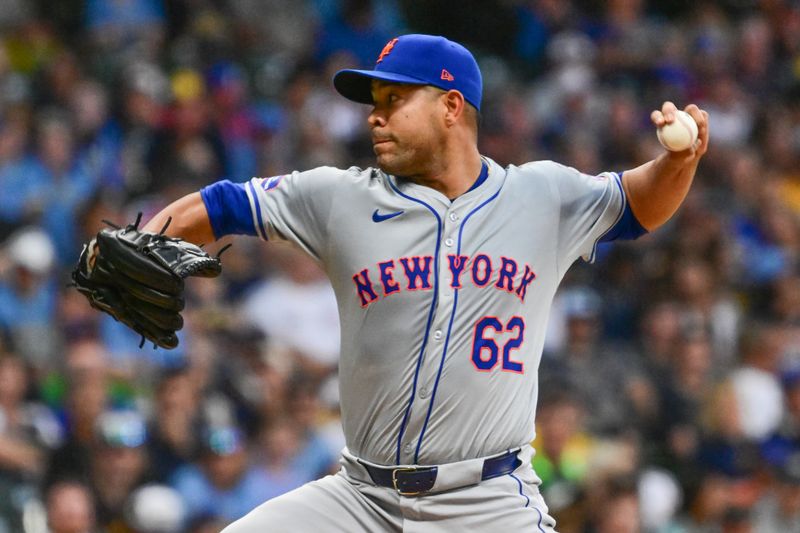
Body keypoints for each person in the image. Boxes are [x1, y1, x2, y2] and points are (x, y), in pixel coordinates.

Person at [125, 34, 708, 531]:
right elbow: (222, 204)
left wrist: (679, 162)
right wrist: (148, 238)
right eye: (374, 101)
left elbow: (640, 203)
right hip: (361, 499)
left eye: (394, 99)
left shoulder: (542, 195)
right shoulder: (342, 198)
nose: (374, 115)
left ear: (451, 106)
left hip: (488, 501)